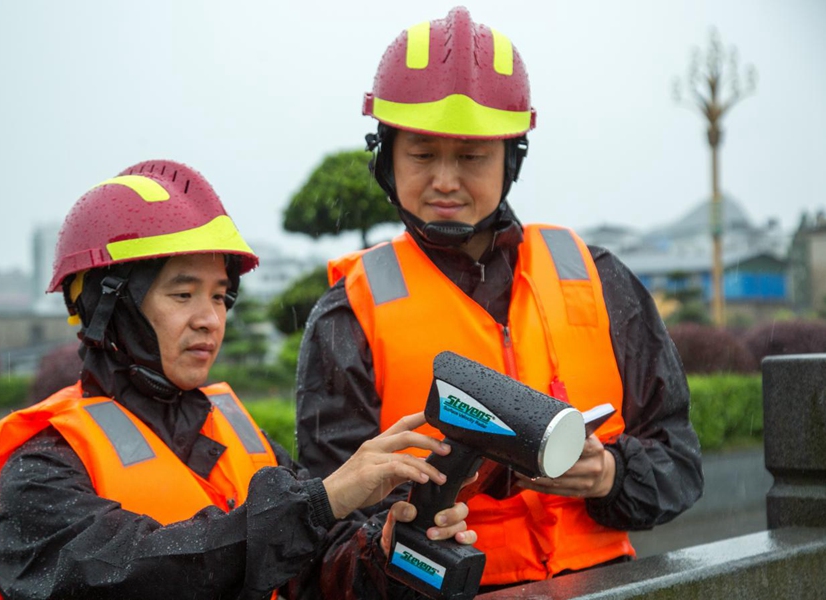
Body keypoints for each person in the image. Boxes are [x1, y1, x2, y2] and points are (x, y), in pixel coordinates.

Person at [295, 6, 704, 592]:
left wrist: (609, 475)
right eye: (421, 153)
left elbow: (681, 464)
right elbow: (325, 521)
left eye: (471, 156)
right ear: (385, 157)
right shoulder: (348, 311)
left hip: (609, 584)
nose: (444, 180)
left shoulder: (597, 276)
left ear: (512, 158)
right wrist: (393, 536)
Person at [0, 159, 474, 599]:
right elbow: (130, 573)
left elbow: (315, 573)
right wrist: (319, 503)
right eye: (182, 294)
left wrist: (386, 552)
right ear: (108, 309)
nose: (210, 320)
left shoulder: (235, 429)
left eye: (218, 296)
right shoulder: (42, 466)